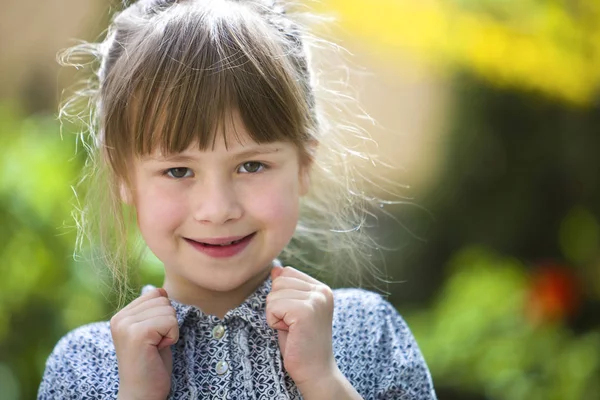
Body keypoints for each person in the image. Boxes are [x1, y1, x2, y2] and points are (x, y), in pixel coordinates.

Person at [39, 0, 437, 398]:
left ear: (303, 165)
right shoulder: (82, 365)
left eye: (251, 166)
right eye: (178, 171)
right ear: (124, 175)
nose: (217, 210)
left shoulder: (368, 331)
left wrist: (322, 380)